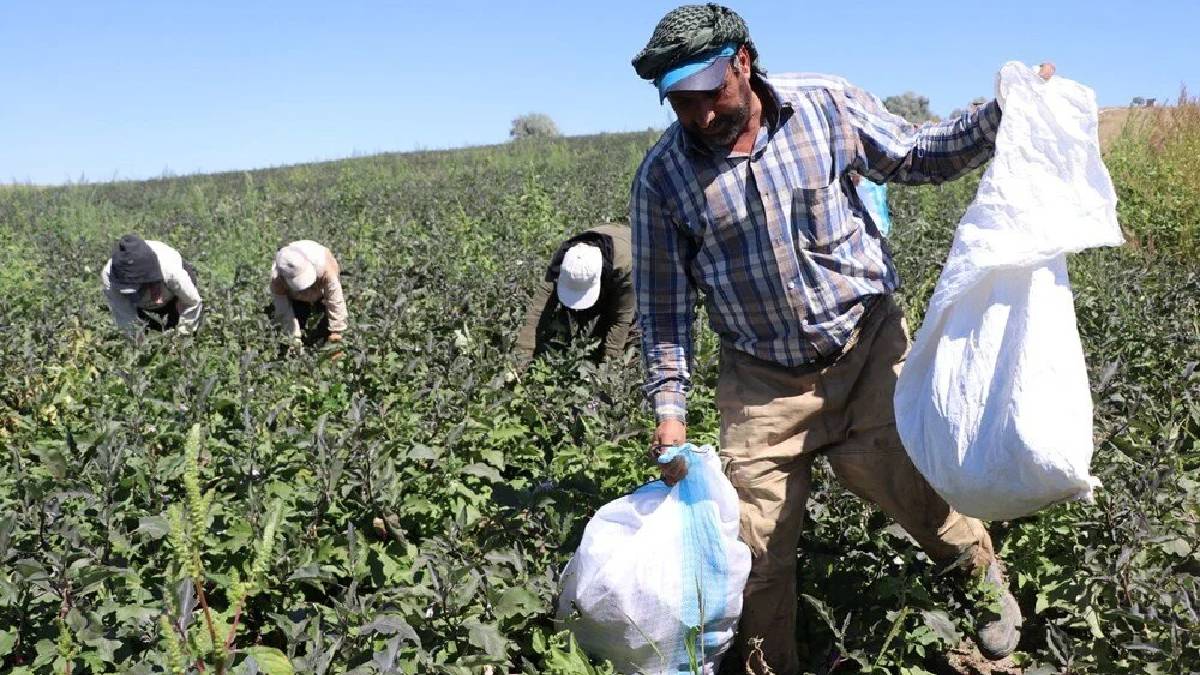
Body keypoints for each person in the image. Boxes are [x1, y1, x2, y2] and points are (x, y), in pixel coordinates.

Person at [629, 5, 1053, 672]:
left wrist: (996, 115)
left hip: (866, 348)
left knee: (916, 488)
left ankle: (981, 587)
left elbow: (916, 152)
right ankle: (771, 665)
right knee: (756, 553)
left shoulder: (824, 105)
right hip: (761, 379)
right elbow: (662, 308)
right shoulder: (663, 179)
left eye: (710, 93)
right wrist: (670, 414)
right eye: (681, 101)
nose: (700, 115)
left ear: (743, 61)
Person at [515, 224, 636, 368]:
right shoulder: (566, 259)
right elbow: (537, 311)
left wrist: (608, 367)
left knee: (633, 333)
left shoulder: (626, 268)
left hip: (634, 257)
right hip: (610, 256)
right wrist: (521, 357)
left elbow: (621, 319)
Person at [101, 234, 202, 334]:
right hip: (141, 305)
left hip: (173, 295)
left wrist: (182, 337)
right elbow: (125, 318)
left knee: (177, 323)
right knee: (145, 330)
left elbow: (192, 302)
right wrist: (136, 345)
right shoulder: (110, 277)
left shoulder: (171, 271)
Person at [269, 240, 348, 346]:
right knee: (299, 313)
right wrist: (293, 340)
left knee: (325, 320)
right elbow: (284, 311)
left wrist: (336, 332)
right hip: (295, 296)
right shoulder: (277, 279)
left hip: (320, 284)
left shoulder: (324, 265)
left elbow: (335, 298)